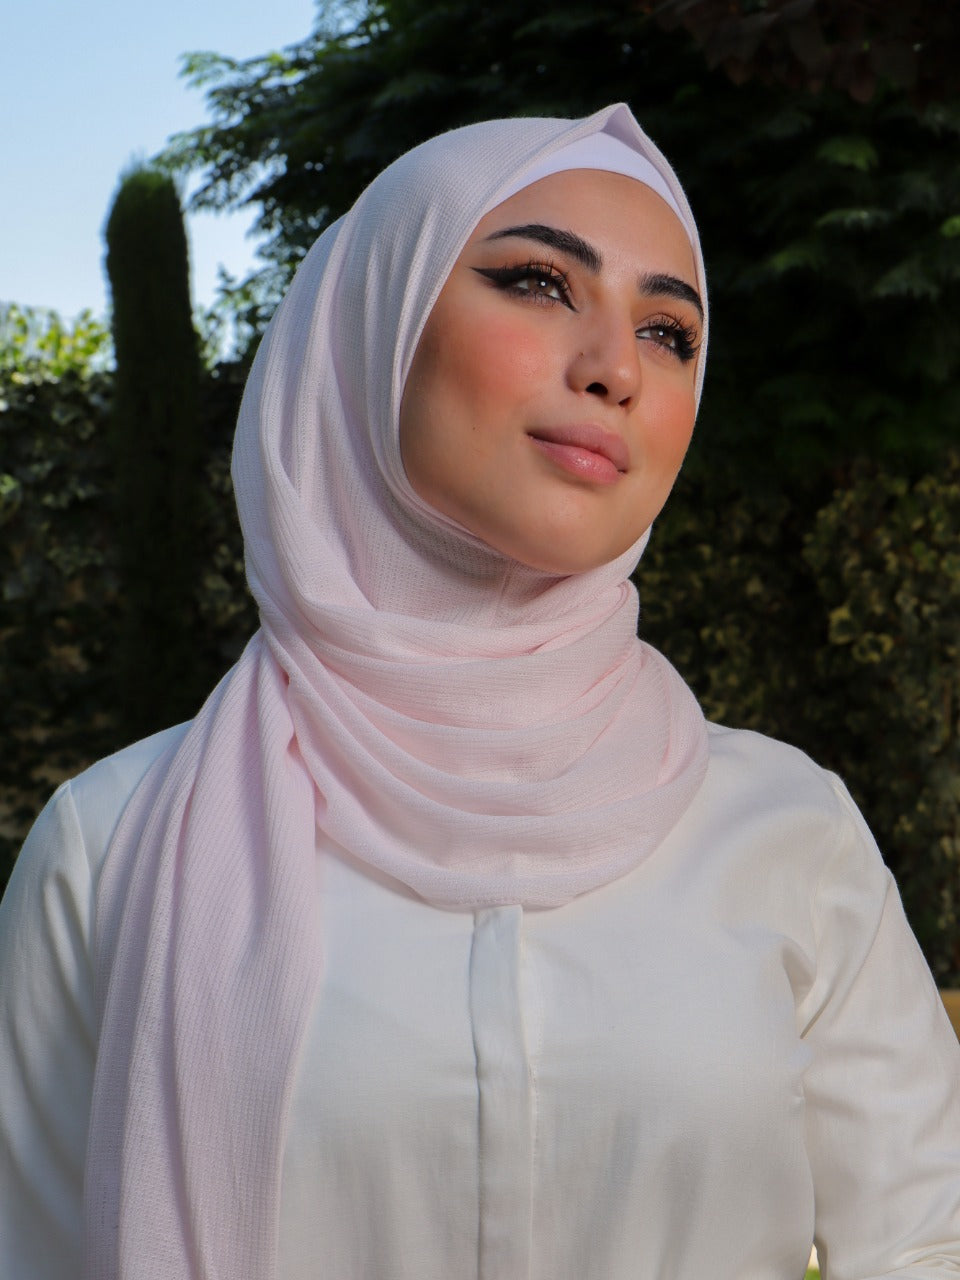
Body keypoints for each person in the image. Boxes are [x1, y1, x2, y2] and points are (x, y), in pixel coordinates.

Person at [1, 102, 958, 1280]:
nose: (615, 366)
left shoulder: (789, 830)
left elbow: (929, 1240)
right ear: (375, 327)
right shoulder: (110, 847)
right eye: (541, 283)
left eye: (670, 332)